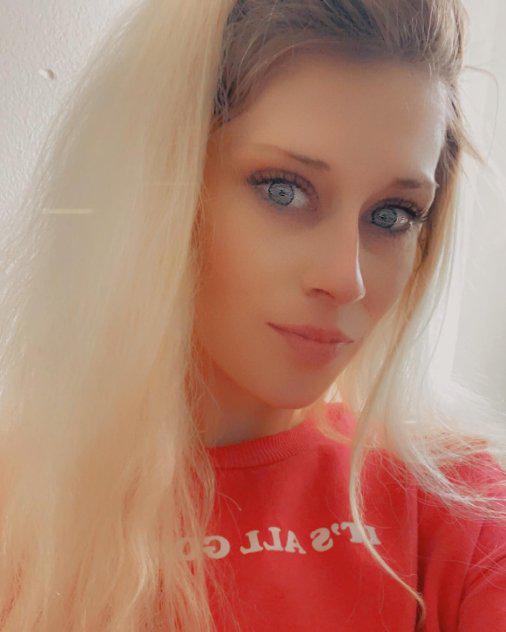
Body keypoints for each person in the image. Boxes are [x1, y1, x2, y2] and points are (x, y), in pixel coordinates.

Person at [0, 0, 504, 630]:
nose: (345, 279)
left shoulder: (455, 507)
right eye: (283, 190)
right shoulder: (20, 508)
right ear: (163, 186)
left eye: (391, 215)